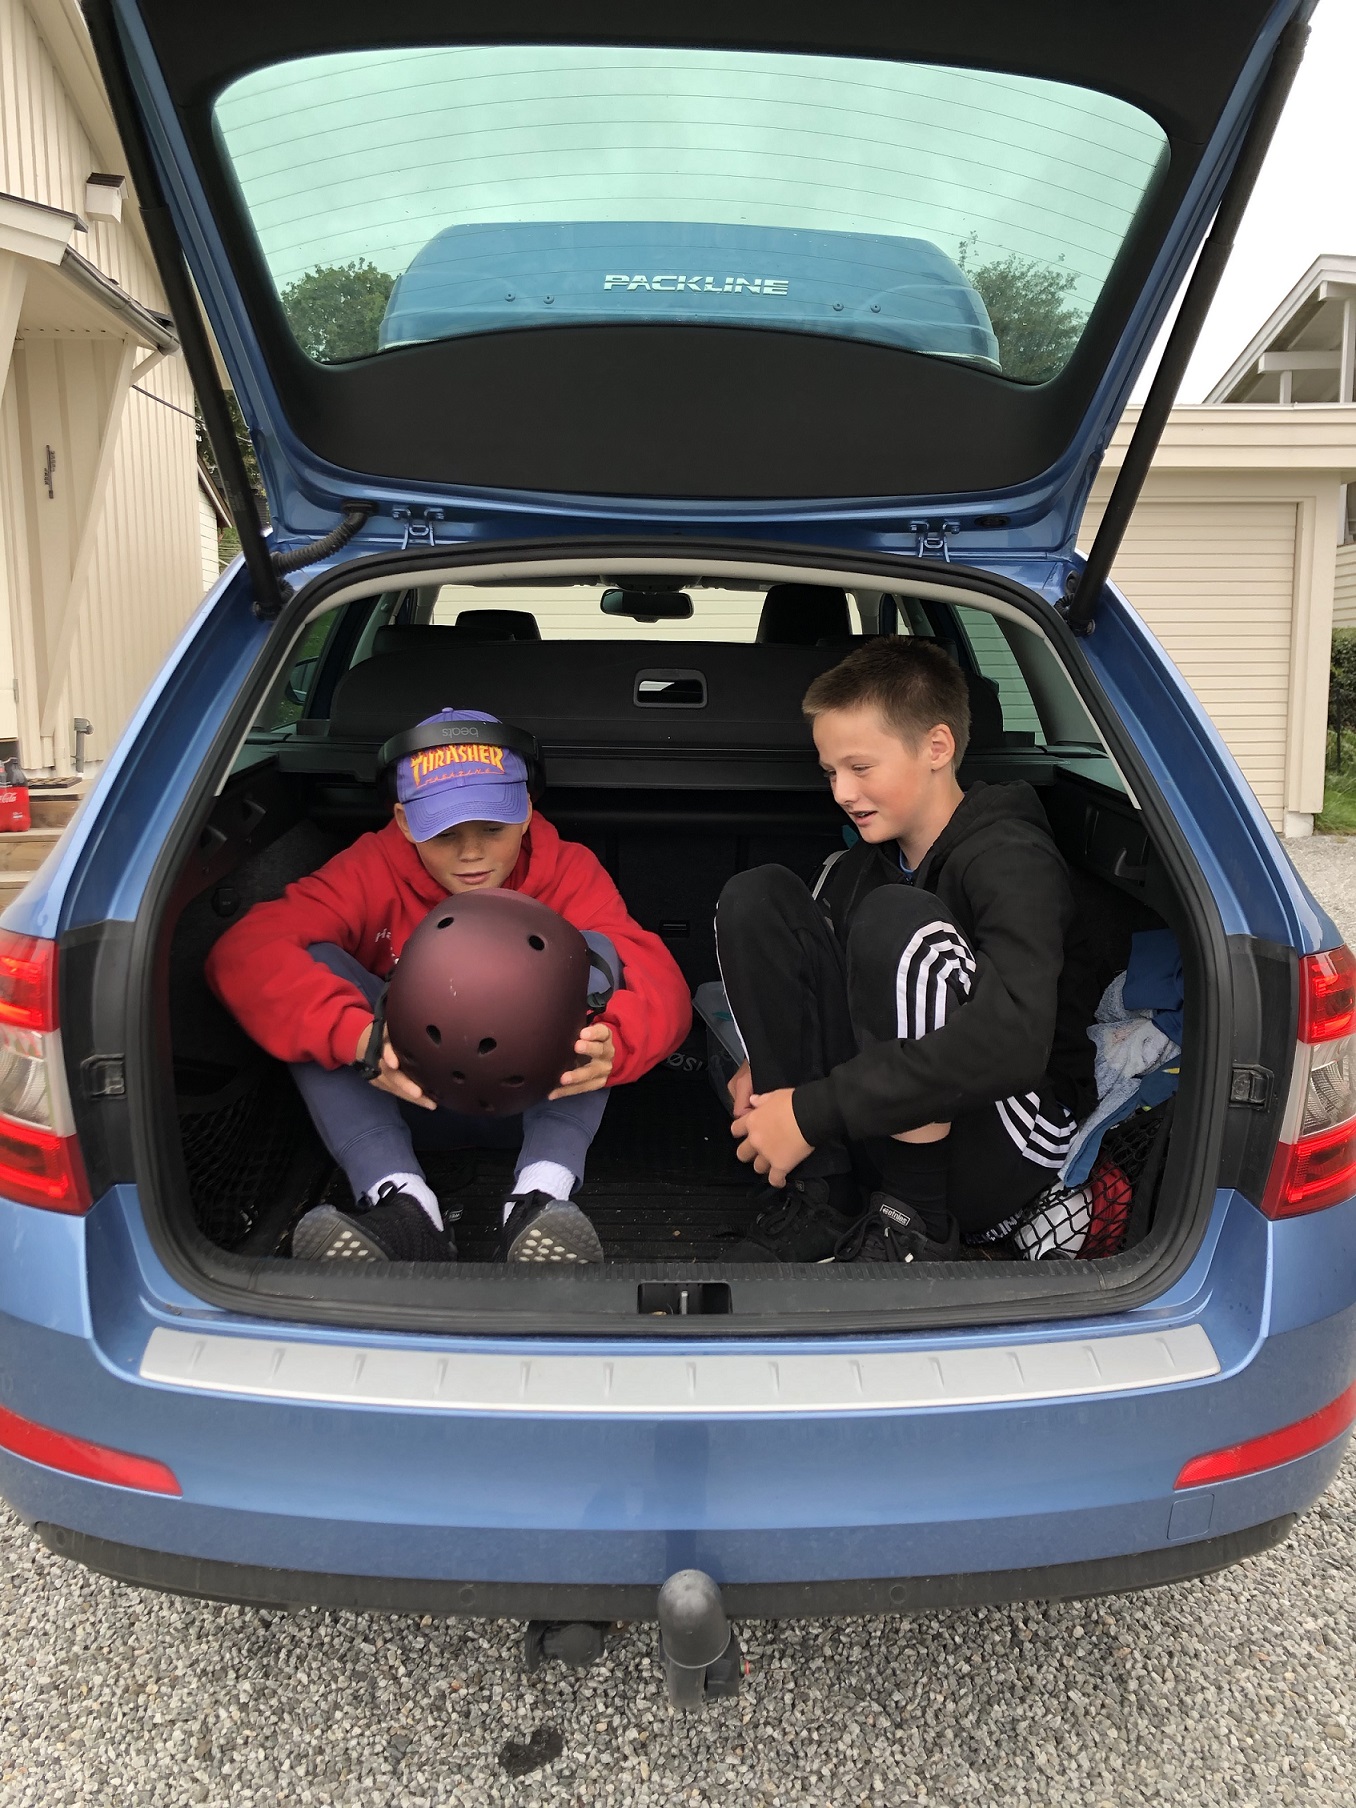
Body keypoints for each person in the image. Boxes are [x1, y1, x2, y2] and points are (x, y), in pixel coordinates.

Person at [206, 708, 691, 1264]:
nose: (471, 853)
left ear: (526, 812)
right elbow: (243, 952)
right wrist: (356, 1037)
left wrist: (617, 1045)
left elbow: (657, 978)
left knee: (593, 953)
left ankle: (540, 1197)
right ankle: (401, 1203)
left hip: (539, 1102)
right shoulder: (371, 867)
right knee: (312, 973)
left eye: (493, 829)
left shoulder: (567, 869)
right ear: (404, 822)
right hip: (408, 1096)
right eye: (444, 834)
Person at [715, 638, 1089, 1263]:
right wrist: (771, 1059)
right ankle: (824, 1197)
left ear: (937, 747)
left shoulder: (1011, 858)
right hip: (877, 1125)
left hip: (1003, 1147)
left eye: (860, 768)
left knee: (896, 920)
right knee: (758, 896)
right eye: (830, 772)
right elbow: (821, 993)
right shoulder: (858, 866)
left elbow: (1016, 1044)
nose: (841, 791)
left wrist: (812, 1110)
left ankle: (913, 1225)